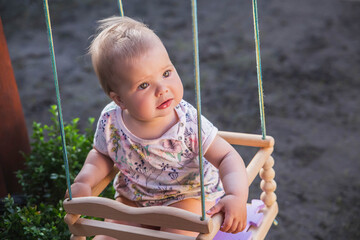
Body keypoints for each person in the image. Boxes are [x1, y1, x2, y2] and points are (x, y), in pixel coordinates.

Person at [68, 16, 248, 239]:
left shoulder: (187, 122)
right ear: (120, 100)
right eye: (144, 85)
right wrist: (84, 181)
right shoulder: (111, 121)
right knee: (110, 233)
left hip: (188, 196)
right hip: (134, 199)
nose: (162, 89)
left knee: (175, 233)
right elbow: (102, 155)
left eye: (166, 73)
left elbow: (226, 156)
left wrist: (236, 196)